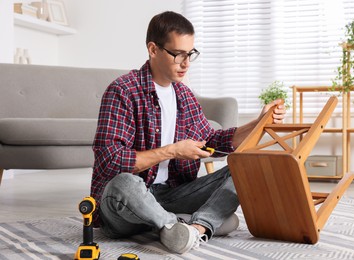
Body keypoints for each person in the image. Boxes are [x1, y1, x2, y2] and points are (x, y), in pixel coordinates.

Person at [90, 11, 286, 254]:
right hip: (128, 201)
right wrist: (172, 151)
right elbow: (111, 161)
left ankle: (191, 229)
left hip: (171, 195)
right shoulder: (123, 91)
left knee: (245, 168)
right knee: (124, 184)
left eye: (190, 54)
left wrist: (258, 123)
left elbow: (213, 141)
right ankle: (181, 225)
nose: (186, 63)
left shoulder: (184, 96)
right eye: (178, 54)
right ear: (153, 49)